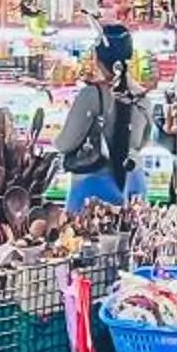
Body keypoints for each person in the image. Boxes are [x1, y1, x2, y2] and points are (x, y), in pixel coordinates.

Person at [57, 25, 145, 214]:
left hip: (92, 190)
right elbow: (142, 141)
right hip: (132, 185)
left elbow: (65, 143)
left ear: (97, 58)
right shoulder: (142, 96)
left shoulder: (91, 95)